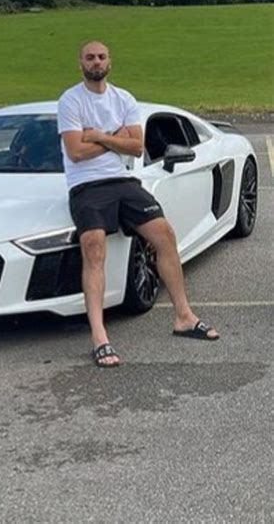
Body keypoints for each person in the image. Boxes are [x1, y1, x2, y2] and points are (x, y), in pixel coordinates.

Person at [57, 40, 219, 368]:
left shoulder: (124, 99)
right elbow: (75, 152)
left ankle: (184, 317)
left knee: (164, 234)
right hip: (86, 186)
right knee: (93, 246)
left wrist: (97, 136)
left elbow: (136, 148)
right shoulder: (70, 100)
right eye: (90, 57)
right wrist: (116, 138)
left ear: (109, 61)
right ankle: (100, 337)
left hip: (123, 183)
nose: (96, 62)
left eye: (101, 56)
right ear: (80, 63)